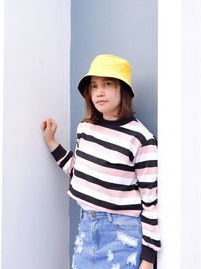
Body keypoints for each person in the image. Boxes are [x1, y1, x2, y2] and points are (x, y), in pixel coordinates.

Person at [41, 54, 161, 269]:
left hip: (123, 235)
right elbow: (80, 174)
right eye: (94, 86)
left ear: (122, 90)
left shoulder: (141, 139)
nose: (99, 92)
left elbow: (151, 202)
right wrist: (51, 142)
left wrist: (148, 259)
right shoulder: (85, 128)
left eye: (107, 84)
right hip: (87, 227)